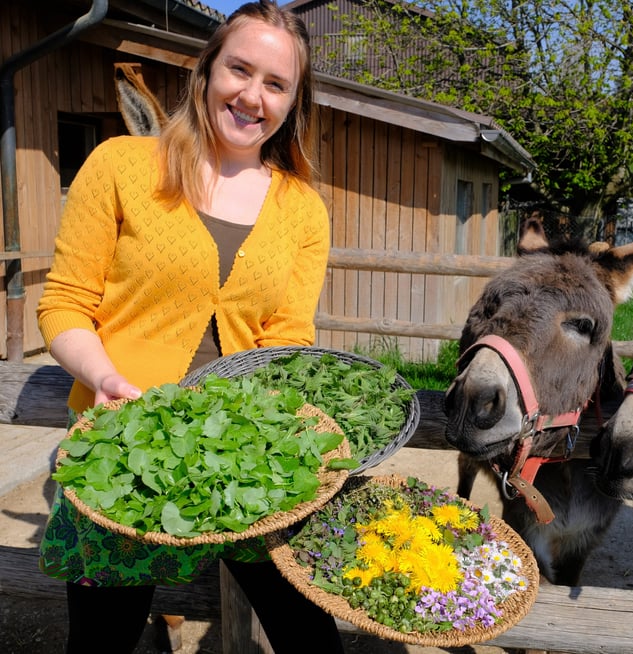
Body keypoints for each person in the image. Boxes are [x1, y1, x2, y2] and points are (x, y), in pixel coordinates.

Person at [36, 2, 344, 652]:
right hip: (122, 450)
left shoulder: (303, 210)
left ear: (293, 103)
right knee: (101, 641)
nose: (252, 95)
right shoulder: (122, 166)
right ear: (207, 71)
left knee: (309, 632)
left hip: (248, 455)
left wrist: (285, 426)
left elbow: (288, 339)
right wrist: (104, 378)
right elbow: (63, 303)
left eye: (276, 83)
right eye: (240, 69)